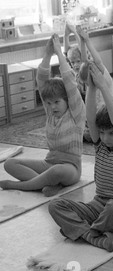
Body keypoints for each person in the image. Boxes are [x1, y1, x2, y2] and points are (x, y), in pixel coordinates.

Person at [48, 63, 113, 253]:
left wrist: (103, 87)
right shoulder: (101, 145)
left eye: (111, 134)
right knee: (55, 204)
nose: (105, 138)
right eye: (102, 133)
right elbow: (90, 119)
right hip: (97, 206)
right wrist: (91, 87)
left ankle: (86, 231)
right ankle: (91, 234)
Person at [0, 34, 86, 197]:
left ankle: (21, 185)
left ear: (67, 100)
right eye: (48, 103)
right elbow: (41, 79)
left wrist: (60, 54)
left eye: (56, 102)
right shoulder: (51, 113)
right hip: (49, 163)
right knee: (10, 164)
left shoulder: (76, 112)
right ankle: (46, 185)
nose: (52, 107)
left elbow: (69, 80)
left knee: (57, 170)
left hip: (71, 168)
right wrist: (47, 54)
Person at [67, 24, 113, 143]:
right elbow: (84, 60)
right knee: (82, 131)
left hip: (106, 113)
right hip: (94, 115)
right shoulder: (88, 79)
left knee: (92, 134)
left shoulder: (100, 73)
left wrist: (86, 40)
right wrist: (82, 41)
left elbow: (94, 58)